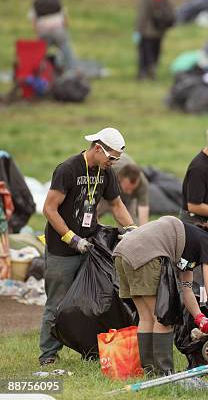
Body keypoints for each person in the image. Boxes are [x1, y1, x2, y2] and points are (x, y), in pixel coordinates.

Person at [39, 128, 136, 367]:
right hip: (62, 250)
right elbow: (49, 209)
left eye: (117, 159)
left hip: (90, 245)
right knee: (57, 303)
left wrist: (134, 231)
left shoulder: (106, 173)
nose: (113, 163)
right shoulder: (68, 169)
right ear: (98, 148)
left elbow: (116, 205)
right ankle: (48, 355)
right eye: (111, 158)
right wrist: (71, 238)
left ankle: (91, 350)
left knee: (92, 301)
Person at [113, 215, 208, 375]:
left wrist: (199, 317)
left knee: (146, 317)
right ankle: (165, 373)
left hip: (123, 252)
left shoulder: (191, 239)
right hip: (145, 256)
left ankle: (150, 372)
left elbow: (187, 288)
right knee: (163, 318)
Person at [30, 0, 76, 70]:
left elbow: (34, 22)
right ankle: (71, 70)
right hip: (59, 31)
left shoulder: (36, 4)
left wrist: (38, 34)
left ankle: (39, 71)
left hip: (43, 32)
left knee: (40, 53)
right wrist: (64, 30)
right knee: (66, 51)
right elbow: (65, 19)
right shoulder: (55, 1)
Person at [98, 153, 149, 225]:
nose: (129, 192)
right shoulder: (110, 172)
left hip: (129, 200)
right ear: (120, 178)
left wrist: (144, 231)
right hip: (106, 192)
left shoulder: (142, 184)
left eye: (132, 189)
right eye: (127, 188)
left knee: (131, 225)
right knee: (91, 215)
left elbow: (143, 209)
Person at [135, 0, 174, 80]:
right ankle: (153, 71)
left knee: (145, 53)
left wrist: (138, 30)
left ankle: (143, 73)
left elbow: (143, 14)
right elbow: (170, 8)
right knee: (156, 52)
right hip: (160, 29)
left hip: (147, 31)